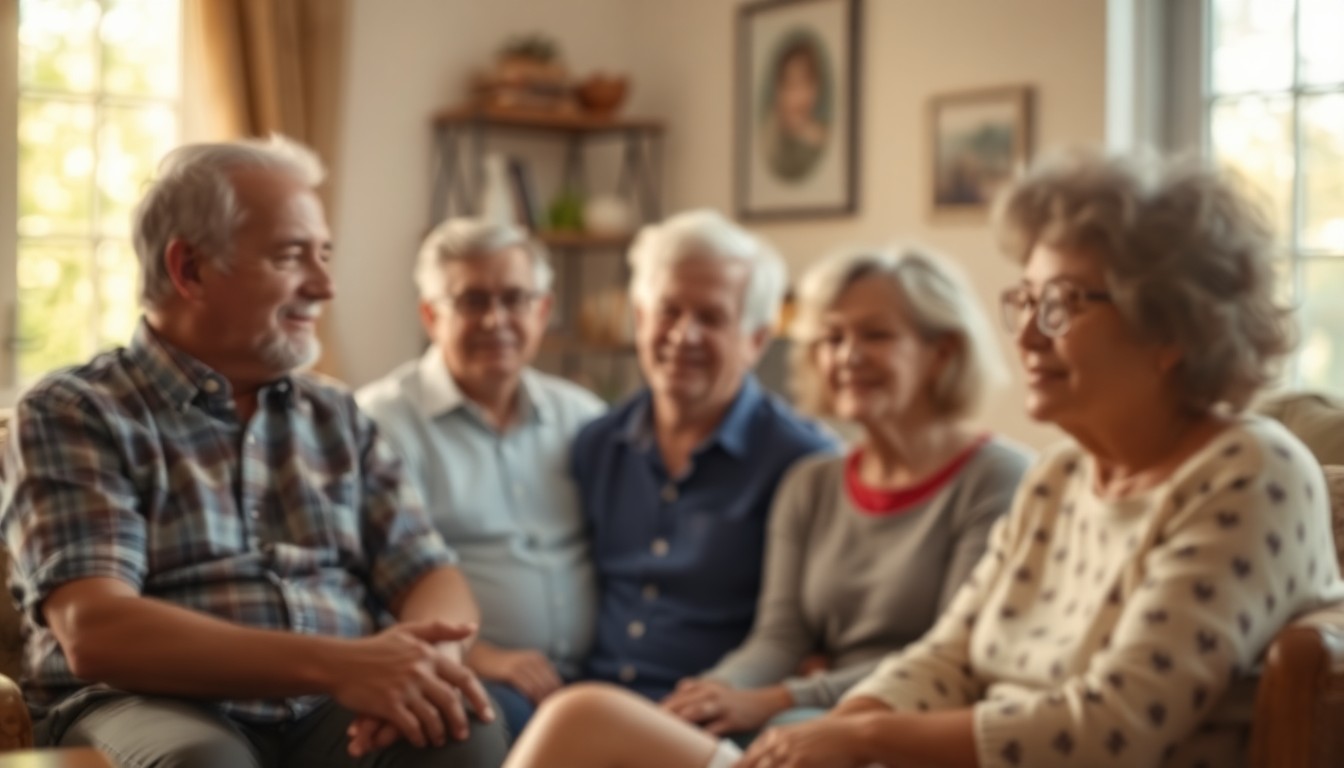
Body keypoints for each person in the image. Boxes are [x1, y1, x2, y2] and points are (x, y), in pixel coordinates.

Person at [498, 151, 1344, 768]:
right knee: (582, 723)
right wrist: (833, 730)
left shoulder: (1249, 473)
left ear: (1171, 326)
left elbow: (1113, 727)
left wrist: (858, 732)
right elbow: (948, 652)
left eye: (1061, 304)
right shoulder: (1061, 477)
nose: (1026, 332)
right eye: (1025, 299)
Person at [0, 137, 509, 768]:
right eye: (292, 256)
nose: (324, 285)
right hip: (141, 704)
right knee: (203, 760)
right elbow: (97, 630)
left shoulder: (337, 415)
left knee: (456, 729)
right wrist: (344, 664)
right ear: (189, 269)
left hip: (326, 708)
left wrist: (423, 662)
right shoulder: (74, 412)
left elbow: (431, 572)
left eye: (324, 255)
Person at [658, 245, 1031, 738]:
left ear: (942, 352)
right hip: (810, 710)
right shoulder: (809, 482)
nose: (847, 356)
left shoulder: (998, 477)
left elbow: (950, 657)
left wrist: (782, 698)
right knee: (606, 719)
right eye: (831, 338)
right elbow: (779, 639)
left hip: (912, 725)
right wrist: (708, 695)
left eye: (875, 335)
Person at [573, 209, 839, 701]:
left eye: (711, 318)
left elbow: (815, 635)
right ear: (639, 319)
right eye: (668, 311)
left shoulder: (806, 462)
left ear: (756, 341)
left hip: (710, 716)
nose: (683, 335)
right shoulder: (595, 445)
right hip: (590, 700)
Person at [357, 218, 604, 737]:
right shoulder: (381, 424)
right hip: (475, 676)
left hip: (597, 674)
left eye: (515, 299)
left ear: (543, 310)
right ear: (430, 315)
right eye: (472, 302)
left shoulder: (583, 417)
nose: (496, 320)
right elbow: (363, 584)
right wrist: (483, 657)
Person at [762, 37, 829, 182]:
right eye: (790, 85)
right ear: (778, 91)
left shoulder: (822, 136)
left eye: (806, 83)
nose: (799, 96)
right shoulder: (768, 136)